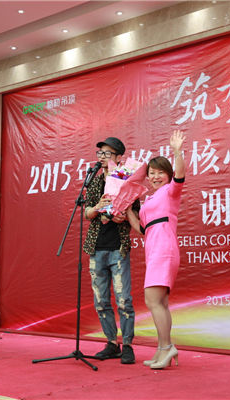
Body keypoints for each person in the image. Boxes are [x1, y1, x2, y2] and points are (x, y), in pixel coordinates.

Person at [126, 129, 186, 369]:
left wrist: (177, 152)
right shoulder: (149, 200)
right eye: (151, 173)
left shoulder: (171, 191)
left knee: (152, 301)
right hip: (153, 250)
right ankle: (163, 349)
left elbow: (180, 176)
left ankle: (167, 347)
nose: (155, 176)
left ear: (168, 175)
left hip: (164, 249)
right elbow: (142, 230)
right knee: (160, 303)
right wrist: (127, 209)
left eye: (160, 172)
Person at [83, 136, 136, 364]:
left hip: (118, 247)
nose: (102, 157)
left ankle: (128, 345)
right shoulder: (95, 182)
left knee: (124, 299)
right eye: (100, 153)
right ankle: (112, 343)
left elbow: (135, 213)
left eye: (107, 153)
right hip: (96, 247)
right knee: (101, 300)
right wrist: (97, 208)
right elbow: (87, 213)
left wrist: (122, 215)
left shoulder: (127, 181)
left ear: (119, 157)